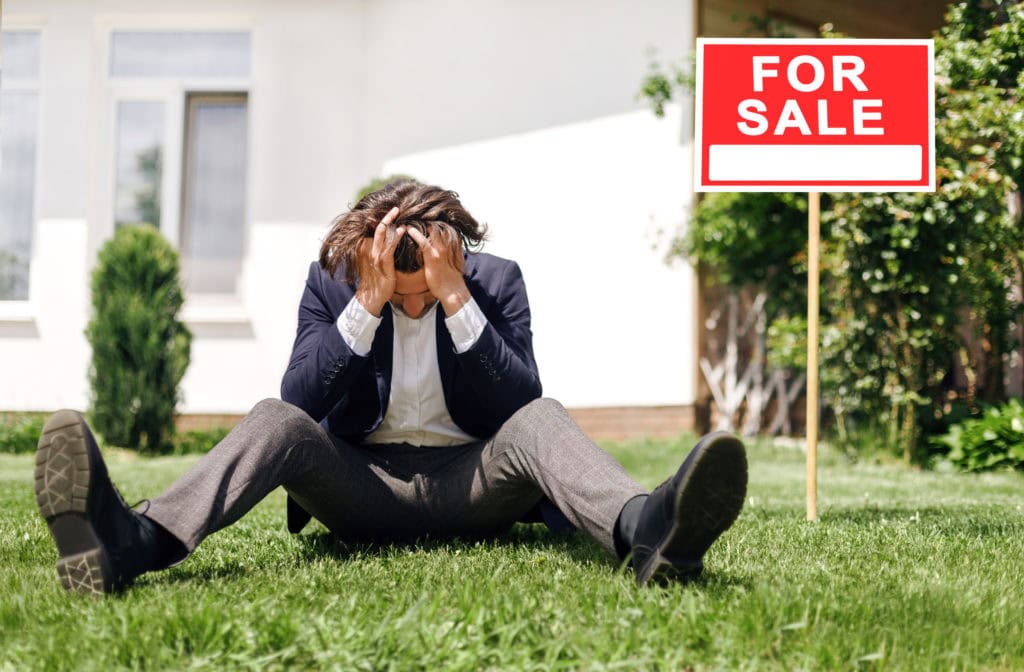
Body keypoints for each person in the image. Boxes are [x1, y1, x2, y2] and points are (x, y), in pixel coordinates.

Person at [33, 179, 748, 594]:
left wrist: (457, 302)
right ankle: (132, 542)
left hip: (473, 486)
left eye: (422, 295)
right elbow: (301, 399)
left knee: (542, 416)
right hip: (359, 488)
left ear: (451, 259)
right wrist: (365, 306)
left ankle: (651, 533)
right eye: (400, 295)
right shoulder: (334, 280)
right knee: (275, 417)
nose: (414, 308)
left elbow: (517, 403)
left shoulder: (494, 283)